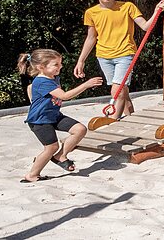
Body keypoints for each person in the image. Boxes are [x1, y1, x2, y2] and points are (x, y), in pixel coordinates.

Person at [74, 0, 164, 119]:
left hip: (125, 53)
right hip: (103, 55)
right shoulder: (91, 13)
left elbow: (145, 26)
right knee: (123, 91)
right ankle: (131, 118)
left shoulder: (127, 7)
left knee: (117, 90)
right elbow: (91, 37)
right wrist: (81, 60)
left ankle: (113, 119)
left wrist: (156, 11)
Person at [18, 49, 105, 182]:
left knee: (79, 129)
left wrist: (32, 97)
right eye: (56, 65)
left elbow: (30, 87)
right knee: (51, 147)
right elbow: (65, 96)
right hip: (40, 120)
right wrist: (86, 85)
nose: (60, 67)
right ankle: (32, 175)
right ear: (41, 67)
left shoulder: (52, 77)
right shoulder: (42, 81)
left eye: (60, 63)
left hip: (54, 115)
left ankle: (60, 156)